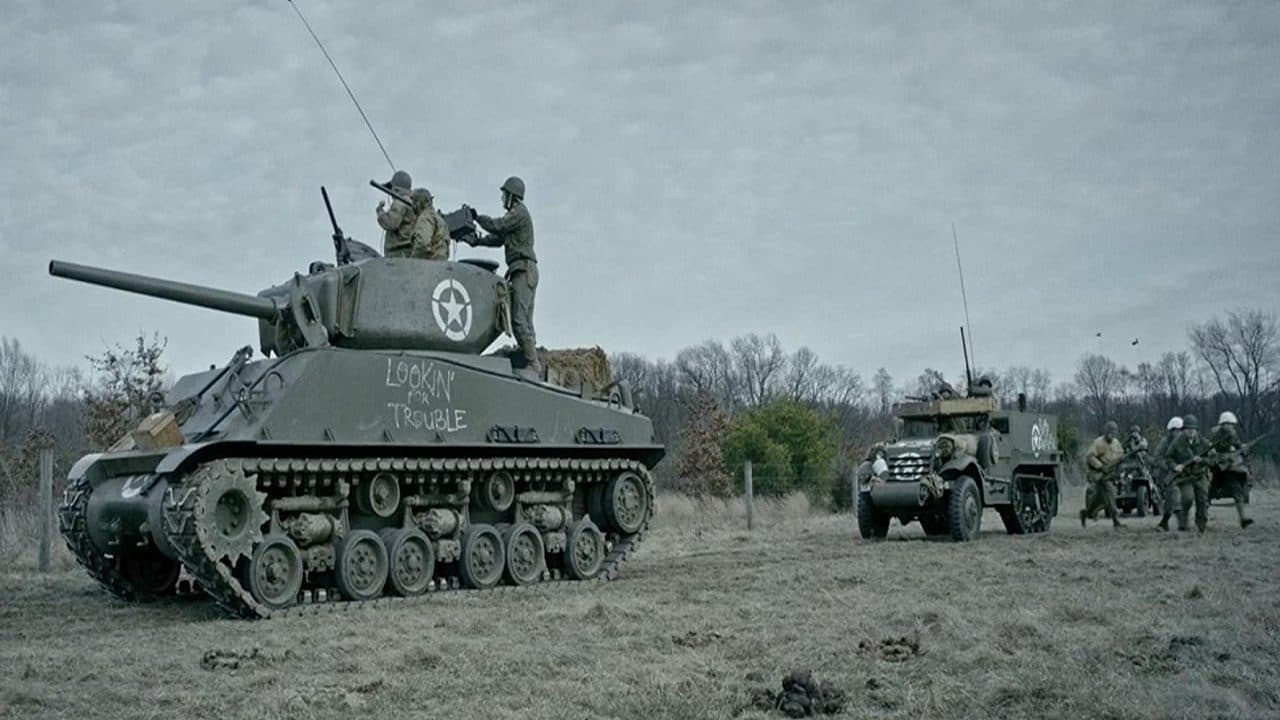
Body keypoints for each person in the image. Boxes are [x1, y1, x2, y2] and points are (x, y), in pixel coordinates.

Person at [464, 176, 540, 376]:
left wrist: (477, 218)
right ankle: (529, 358)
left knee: (519, 319)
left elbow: (498, 226)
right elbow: (498, 239)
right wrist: (476, 241)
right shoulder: (515, 217)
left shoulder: (519, 213)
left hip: (523, 270)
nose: (502, 198)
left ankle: (532, 363)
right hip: (523, 270)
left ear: (512, 196)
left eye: (505, 194)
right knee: (524, 320)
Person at [1164, 413, 1212, 532]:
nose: (1190, 431)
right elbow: (1168, 457)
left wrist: (1202, 460)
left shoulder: (1204, 442)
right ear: (1184, 430)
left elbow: (1213, 459)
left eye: (1193, 429)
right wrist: (1175, 466)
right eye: (1188, 429)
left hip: (1200, 475)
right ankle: (1183, 520)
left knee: (1202, 500)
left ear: (1196, 430)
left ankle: (1201, 525)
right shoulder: (1177, 442)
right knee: (1187, 498)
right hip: (1185, 477)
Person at [1208, 411, 1253, 528]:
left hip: (1230, 468)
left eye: (1232, 424)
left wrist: (1243, 449)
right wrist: (1216, 454)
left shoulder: (1233, 434)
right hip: (1218, 468)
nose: (1231, 426)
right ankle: (1201, 519)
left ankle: (1242, 519)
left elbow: (1238, 445)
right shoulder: (1215, 434)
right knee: (1209, 493)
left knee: (1238, 491)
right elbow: (1210, 449)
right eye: (1229, 424)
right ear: (1223, 424)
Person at [1081, 421, 1125, 529]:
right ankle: (1116, 521)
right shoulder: (1098, 443)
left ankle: (1086, 513)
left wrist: (1119, 467)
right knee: (1111, 494)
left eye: (1113, 431)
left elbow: (1121, 456)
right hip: (1101, 475)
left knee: (1100, 499)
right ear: (1105, 431)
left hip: (1111, 474)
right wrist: (1100, 466)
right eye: (1109, 431)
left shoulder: (1117, 443)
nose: (1111, 434)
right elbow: (1090, 457)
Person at [1151, 416, 1183, 531]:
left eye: (1181, 430)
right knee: (1173, 497)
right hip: (1167, 475)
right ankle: (1178, 524)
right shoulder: (1164, 442)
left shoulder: (1184, 442)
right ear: (1172, 431)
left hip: (1183, 473)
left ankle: (1166, 523)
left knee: (1180, 498)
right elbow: (1157, 458)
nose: (1179, 433)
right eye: (1177, 430)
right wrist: (1170, 467)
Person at [377, 170, 417, 257]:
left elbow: (391, 223)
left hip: (399, 251)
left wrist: (380, 211)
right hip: (408, 251)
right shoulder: (412, 201)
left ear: (396, 189)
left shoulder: (401, 202)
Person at [408, 188, 450, 261]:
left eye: (414, 202)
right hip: (441, 262)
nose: (412, 206)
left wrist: (411, 261)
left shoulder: (425, 217)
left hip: (428, 263)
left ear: (419, 202)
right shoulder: (439, 219)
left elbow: (422, 244)